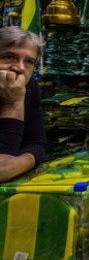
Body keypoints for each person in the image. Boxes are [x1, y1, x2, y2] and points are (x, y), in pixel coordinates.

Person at [0, 27, 47, 181]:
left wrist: (22, 162)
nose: (20, 68)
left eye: (29, 61)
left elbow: (37, 143)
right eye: (9, 57)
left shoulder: (30, 87)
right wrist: (12, 104)